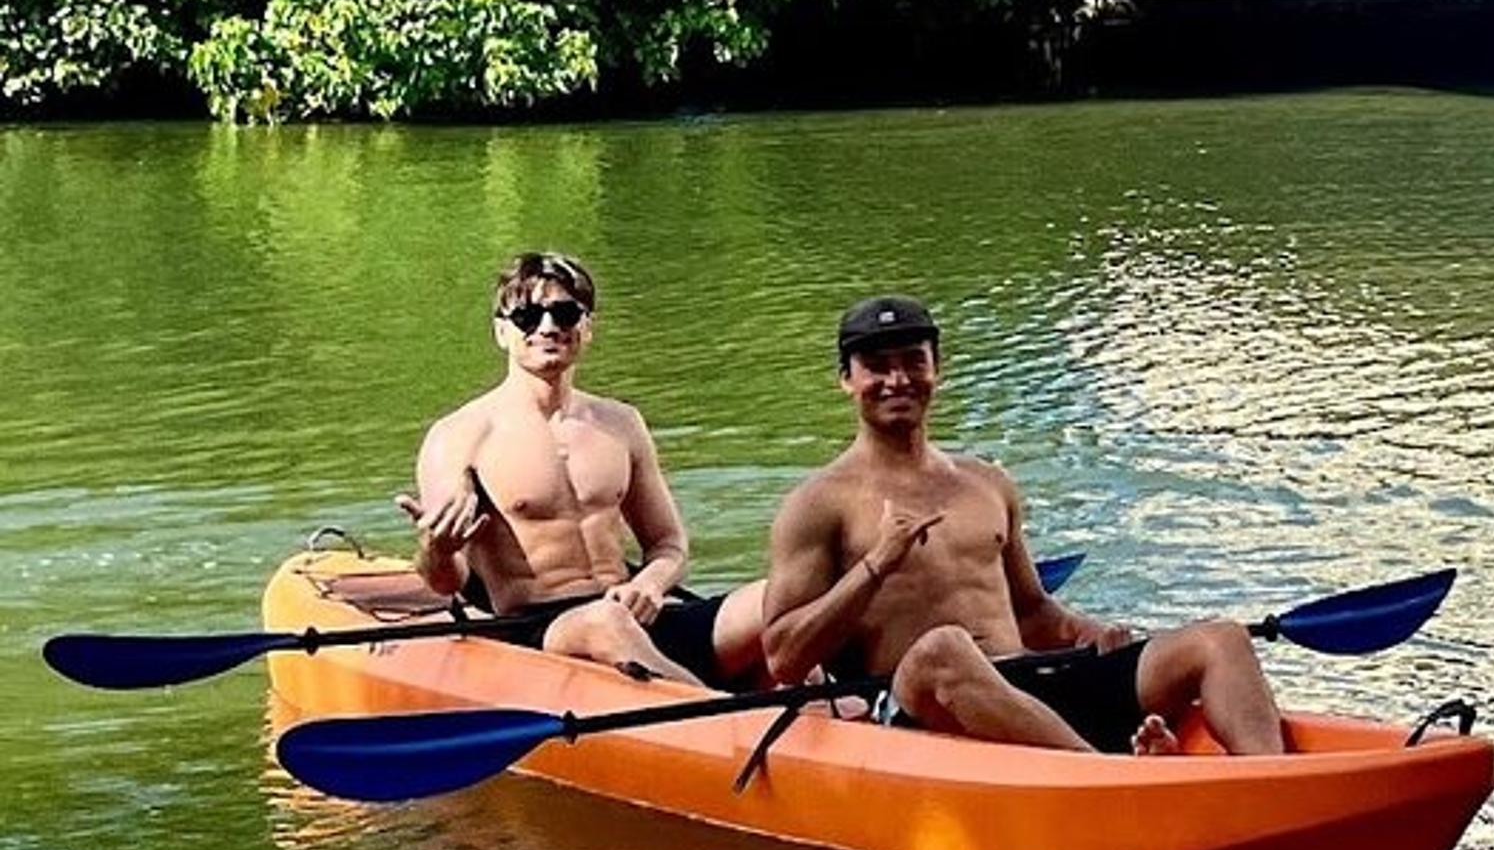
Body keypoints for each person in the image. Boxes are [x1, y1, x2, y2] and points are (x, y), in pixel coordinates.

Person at [761, 295, 1287, 755]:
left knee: (1220, 639)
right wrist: (876, 565)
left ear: (937, 369)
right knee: (944, 648)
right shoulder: (817, 503)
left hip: (1024, 686)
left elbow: (1033, 612)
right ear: (847, 379)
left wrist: (1086, 631)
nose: (897, 380)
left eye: (913, 361)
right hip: (912, 703)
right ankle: (1107, 776)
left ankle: (1270, 783)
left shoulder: (986, 482)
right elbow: (783, 657)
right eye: (876, 366)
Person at [397, 251, 764, 687]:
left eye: (565, 313)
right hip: (538, 629)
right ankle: (716, 712)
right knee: (604, 622)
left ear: (587, 327)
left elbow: (668, 544)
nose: (548, 327)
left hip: (633, 612)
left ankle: (818, 704)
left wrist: (650, 584)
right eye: (527, 316)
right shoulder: (459, 436)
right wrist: (437, 550)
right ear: (501, 331)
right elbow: (445, 583)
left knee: (774, 598)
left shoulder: (621, 423)